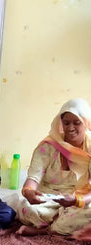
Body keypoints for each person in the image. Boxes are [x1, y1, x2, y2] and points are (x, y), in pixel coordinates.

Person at [18, 98, 91, 236]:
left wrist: (76, 200)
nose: (70, 128)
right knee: (26, 209)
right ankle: (59, 226)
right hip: (48, 200)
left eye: (77, 123)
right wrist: (28, 192)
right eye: (66, 123)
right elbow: (33, 178)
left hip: (79, 200)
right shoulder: (48, 146)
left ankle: (45, 230)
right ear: (60, 122)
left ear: (86, 123)